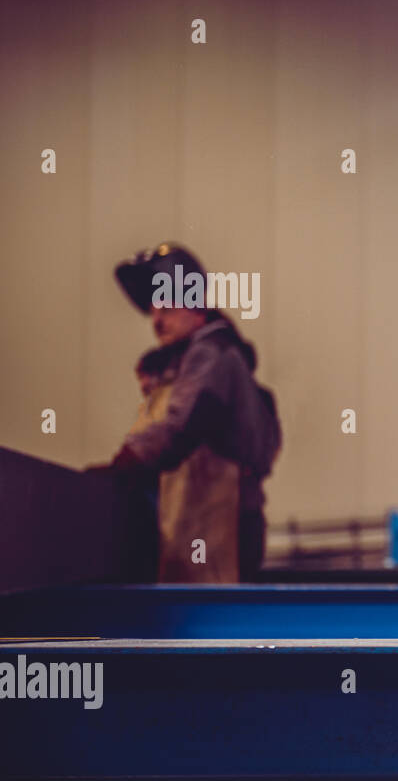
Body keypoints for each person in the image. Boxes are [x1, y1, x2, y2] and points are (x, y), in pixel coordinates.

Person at [100, 243, 281, 582]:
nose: (157, 318)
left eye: (166, 304)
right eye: (153, 307)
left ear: (196, 305)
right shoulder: (194, 361)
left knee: (210, 629)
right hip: (198, 538)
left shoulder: (211, 356)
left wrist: (126, 463)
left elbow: (180, 429)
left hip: (219, 538)